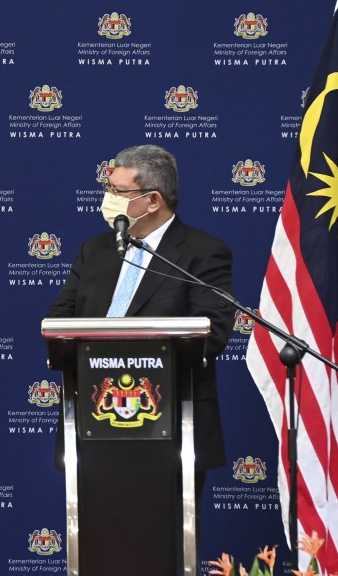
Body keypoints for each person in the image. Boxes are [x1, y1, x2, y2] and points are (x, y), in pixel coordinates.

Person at [48, 143, 234, 482]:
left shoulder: (203, 253)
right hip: (95, 415)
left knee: (170, 533)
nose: (109, 198)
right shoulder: (95, 250)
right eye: (109, 189)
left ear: (153, 200)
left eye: (119, 191)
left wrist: (139, 354)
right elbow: (60, 318)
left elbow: (213, 333)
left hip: (172, 421)